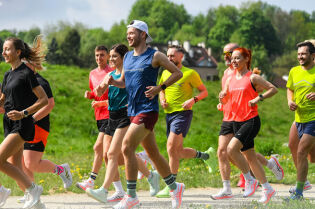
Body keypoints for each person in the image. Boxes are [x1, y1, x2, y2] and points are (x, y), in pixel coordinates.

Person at [105, 20, 184, 209]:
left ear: (143, 34)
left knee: (126, 147)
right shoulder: (128, 58)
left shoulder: (155, 55)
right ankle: (175, 188)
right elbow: (124, 82)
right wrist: (113, 83)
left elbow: (177, 73)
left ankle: (131, 196)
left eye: (132, 33)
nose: (128, 37)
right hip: (131, 110)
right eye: (128, 33)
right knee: (154, 154)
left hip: (148, 110)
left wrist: (160, 87)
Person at [86, 44, 160, 204]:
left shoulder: (129, 74)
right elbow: (99, 91)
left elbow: (127, 86)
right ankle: (150, 175)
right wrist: (97, 91)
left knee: (112, 153)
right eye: (110, 56)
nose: (111, 59)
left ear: (123, 58)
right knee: (109, 155)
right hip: (111, 117)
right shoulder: (111, 74)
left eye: (114, 56)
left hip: (125, 115)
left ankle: (104, 190)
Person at [211, 43, 284, 200]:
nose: (233, 60)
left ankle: (249, 180)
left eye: (237, 57)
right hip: (235, 119)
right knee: (250, 157)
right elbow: (228, 98)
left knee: (231, 150)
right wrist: (222, 100)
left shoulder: (252, 77)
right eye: (232, 58)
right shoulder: (230, 78)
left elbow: (273, 88)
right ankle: (267, 188)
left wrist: (258, 98)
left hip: (250, 120)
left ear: (246, 58)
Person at [156, 45, 210, 198]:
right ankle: (206, 156)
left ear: (181, 56)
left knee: (171, 148)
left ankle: (172, 186)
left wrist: (193, 100)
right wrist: (162, 100)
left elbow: (204, 91)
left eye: (173, 56)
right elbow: (162, 89)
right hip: (169, 114)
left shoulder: (190, 73)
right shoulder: (166, 72)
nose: (170, 59)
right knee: (177, 152)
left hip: (183, 114)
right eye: (168, 56)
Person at [1, 36, 48, 208]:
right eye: (3, 49)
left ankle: (33, 189)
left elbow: (43, 100)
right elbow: (3, 100)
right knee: (15, 165)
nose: (3, 52)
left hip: (22, 124)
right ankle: (37, 203)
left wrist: (23, 113)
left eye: (7, 49)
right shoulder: (7, 75)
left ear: (18, 52)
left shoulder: (27, 73)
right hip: (9, 124)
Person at [16, 61, 72, 204]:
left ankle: (62, 170)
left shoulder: (41, 82)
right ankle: (31, 193)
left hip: (38, 126)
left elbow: (50, 104)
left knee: (31, 163)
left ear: (33, 65)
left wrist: (33, 119)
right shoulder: (24, 83)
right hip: (24, 126)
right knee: (22, 162)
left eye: (26, 65)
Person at [77, 45, 113, 191]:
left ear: (108, 57)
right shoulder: (92, 73)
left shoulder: (112, 72)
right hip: (99, 115)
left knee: (99, 148)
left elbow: (115, 96)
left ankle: (93, 181)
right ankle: (146, 171)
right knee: (115, 152)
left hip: (110, 114)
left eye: (102, 55)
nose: (99, 58)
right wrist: (90, 95)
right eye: (97, 55)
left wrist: (100, 102)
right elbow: (97, 92)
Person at [286, 41, 315, 200]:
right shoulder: (294, 71)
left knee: (302, 152)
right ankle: (304, 182)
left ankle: (298, 192)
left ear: (312, 55)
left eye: (303, 54)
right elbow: (290, 88)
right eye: (298, 54)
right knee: (293, 146)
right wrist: (290, 101)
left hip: (314, 119)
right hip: (298, 118)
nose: (300, 57)